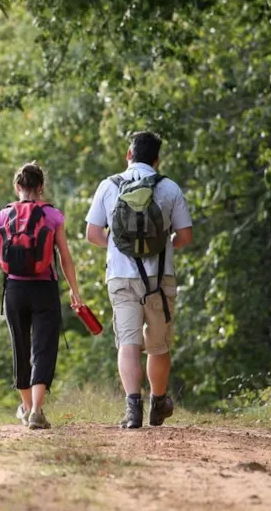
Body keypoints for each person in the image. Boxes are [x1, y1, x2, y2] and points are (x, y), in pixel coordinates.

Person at [84, 131, 193, 429]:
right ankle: (158, 404)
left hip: (120, 276)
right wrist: (162, 243)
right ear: (157, 159)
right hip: (160, 277)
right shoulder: (169, 188)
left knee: (128, 342)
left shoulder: (109, 186)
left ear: (128, 155)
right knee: (158, 344)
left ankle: (133, 410)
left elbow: (93, 234)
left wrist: (122, 244)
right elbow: (185, 236)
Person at [0, 162, 83, 430]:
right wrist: (75, 292)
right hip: (44, 288)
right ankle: (37, 411)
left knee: (20, 348)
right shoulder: (53, 215)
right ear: (41, 187)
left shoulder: (3, 216)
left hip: (14, 290)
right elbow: (65, 258)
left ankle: (27, 407)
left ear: (17, 186)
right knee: (43, 348)